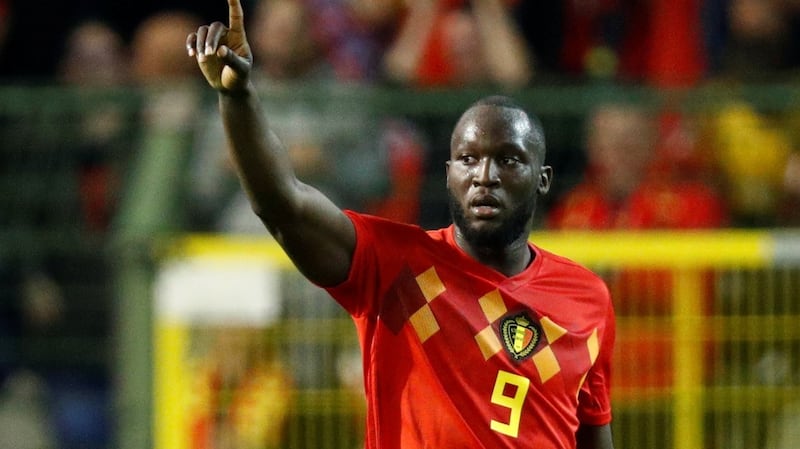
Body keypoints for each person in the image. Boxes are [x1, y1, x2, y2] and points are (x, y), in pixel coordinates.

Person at [186, 1, 617, 448]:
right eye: (468, 160)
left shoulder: (585, 298)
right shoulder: (397, 267)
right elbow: (283, 204)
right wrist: (238, 98)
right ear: (448, 175)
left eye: (508, 160)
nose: (485, 176)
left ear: (543, 179)